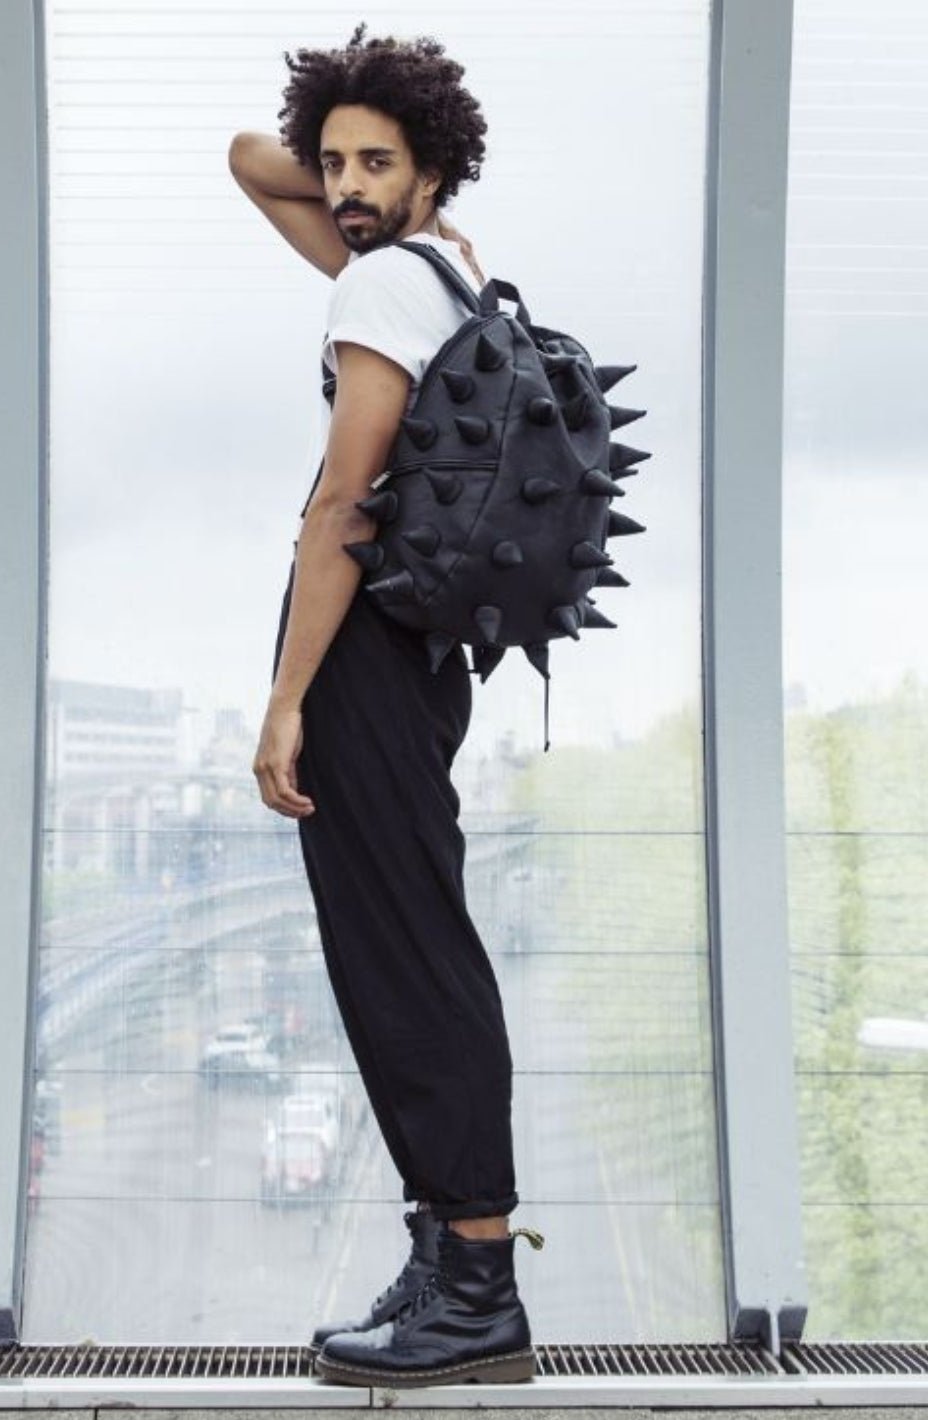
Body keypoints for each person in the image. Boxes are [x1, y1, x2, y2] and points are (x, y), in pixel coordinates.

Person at [229, 20, 541, 1389]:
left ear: (436, 169)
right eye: (336, 161)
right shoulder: (442, 269)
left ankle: (473, 1287)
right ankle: (446, 1251)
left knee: (404, 958)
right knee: (413, 940)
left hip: (358, 651)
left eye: (377, 161)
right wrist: (342, 148)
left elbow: (340, 512)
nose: (343, 185)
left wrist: (284, 700)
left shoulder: (375, 296)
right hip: (428, 653)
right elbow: (251, 161)